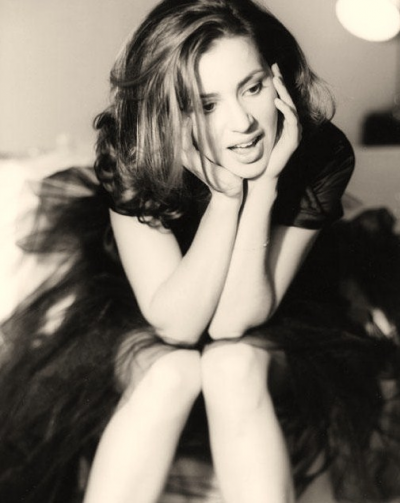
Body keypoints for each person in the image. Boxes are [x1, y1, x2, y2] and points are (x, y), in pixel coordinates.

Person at [0, 1, 399, 502]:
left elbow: (234, 323)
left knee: (232, 366)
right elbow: (177, 328)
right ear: (170, 112)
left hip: (282, 318)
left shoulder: (320, 151)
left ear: (278, 78)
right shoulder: (135, 152)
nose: (243, 122)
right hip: (155, 312)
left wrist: (263, 189)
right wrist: (226, 200)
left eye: (252, 87)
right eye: (207, 105)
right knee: (171, 372)